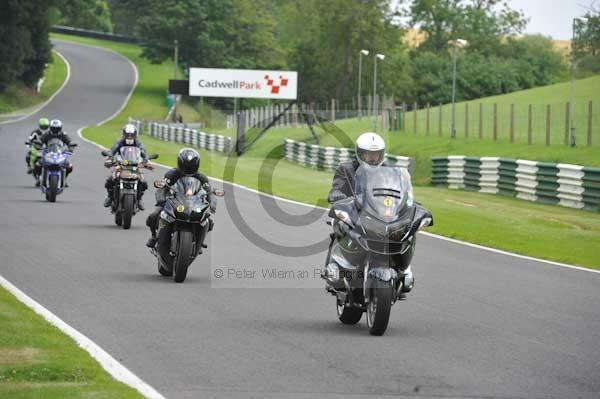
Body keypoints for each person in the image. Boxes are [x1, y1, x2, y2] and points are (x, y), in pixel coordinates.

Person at [145, 148, 212, 248]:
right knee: (154, 215)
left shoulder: (201, 177)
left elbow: (209, 192)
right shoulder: (172, 174)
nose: (188, 168)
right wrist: (161, 201)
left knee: (208, 220)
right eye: (186, 165)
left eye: (191, 165)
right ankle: (154, 237)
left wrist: (211, 204)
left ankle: (199, 241)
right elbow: (163, 188)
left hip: (193, 204)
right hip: (175, 201)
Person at [327, 132, 386, 203]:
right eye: (369, 153)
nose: (372, 157)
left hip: (381, 210)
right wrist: (337, 194)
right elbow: (337, 189)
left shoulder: (387, 169)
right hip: (354, 210)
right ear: (360, 153)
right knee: (335, 213)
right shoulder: (346, 169)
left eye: (376, 154)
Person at [103, 124, 149, 209]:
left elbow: (143, 152)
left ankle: (139, 199)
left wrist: (146, 160)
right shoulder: (119, 142)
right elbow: (113, 150)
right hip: (121, 165)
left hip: (134, 166)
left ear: (136, 135)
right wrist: (109, 157)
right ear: (124, 135)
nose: (130, 137)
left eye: (132, 135)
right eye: (128, 135)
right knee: (110, 179)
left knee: (144, 182)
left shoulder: (138, 143)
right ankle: (110, 197)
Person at [36, 119, 74, 184]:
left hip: (60, 153)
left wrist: (71, 147)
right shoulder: (47, 134)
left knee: (69, 166)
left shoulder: (63, 134)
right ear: (50, 128)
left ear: (60, 128)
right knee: (38, 164)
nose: (55, 130)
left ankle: (64, 179)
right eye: (53, 128)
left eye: (57, 128)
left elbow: (69, 141)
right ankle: (40, 177)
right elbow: (40, 140)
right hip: (48, 152)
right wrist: (38, 144)